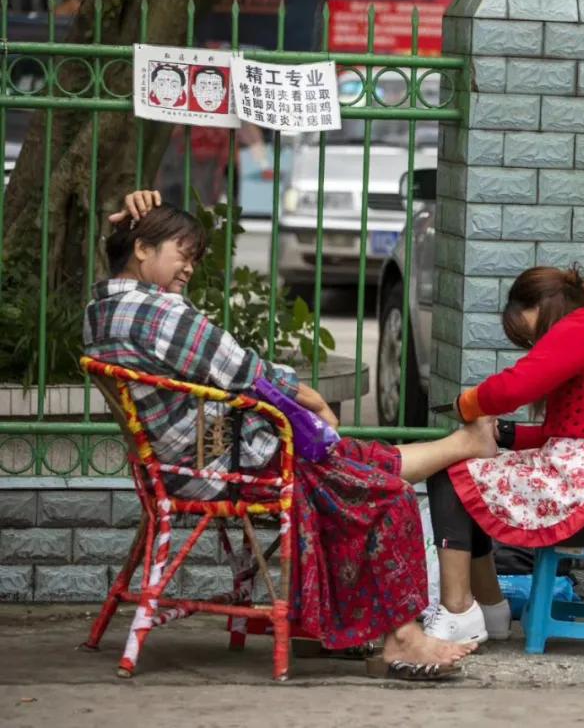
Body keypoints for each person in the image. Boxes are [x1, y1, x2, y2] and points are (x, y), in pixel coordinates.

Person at [83, 190, 491, 680]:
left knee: (351, 462)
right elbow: (241, 367)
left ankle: (463, 446)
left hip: (185, 462)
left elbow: (220, 364)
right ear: (142, 249)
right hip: (218, 465)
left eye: (192, 259)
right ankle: (402, 637)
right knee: (384, 494)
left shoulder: (101, 311)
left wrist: (132, 226)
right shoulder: (158, 314)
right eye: (182, 255)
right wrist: (312, 399)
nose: (188, 269)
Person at [422, 266, 584, 644]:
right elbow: (575, 435)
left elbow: (514, 387)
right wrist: (506, 434)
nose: (533, 341)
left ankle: (457, 610)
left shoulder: (583, 326)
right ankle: (490, 610)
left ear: (538, 305)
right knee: (469, 482)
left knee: (449, 476)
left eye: (526, 329)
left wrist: (466, 405)